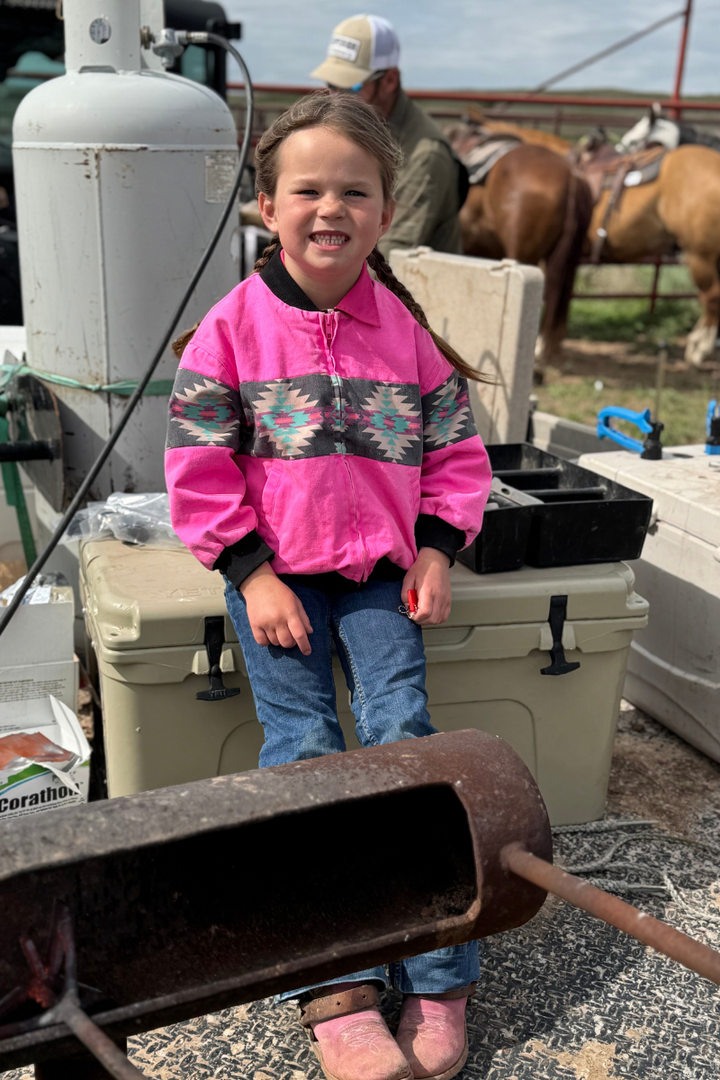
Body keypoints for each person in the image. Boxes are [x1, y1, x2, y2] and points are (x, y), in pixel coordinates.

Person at [165, 91, 491, 1080]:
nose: (330, 208)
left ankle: (436, 970)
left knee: (404, 749)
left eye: (354, 190)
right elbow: (197, 463)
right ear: (267, 204)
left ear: (386, 212)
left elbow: (457, 452)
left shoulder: (407, 333)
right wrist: (247, 572)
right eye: (306, 188)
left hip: (382, 579)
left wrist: (436, 550)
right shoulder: (228, 331)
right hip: (277, 586)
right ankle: (335, 984)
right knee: (304, 756)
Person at [310, 14, 466, 259]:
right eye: (331, 82)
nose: (335, 97)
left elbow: (391, 254)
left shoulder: (425, 156)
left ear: (389, 80)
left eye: (351, 86)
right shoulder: (360, 131)